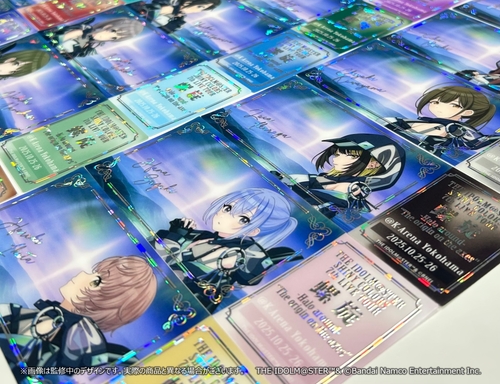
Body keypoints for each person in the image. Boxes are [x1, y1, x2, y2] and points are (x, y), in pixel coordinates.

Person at [0, 255, 157, 379]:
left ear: (108, 303)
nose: (82, 274)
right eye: (94, 273)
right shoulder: (49, 315)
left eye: (96, 281)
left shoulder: (79, 338)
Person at [152, 188, 300, 311]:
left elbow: (168, 265)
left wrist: (176, 235)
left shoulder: (240, 254)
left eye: (243, 219)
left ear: (253, 231)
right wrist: (178, 232)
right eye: (228, 208)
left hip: (173, 302)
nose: (224, 215)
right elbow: (155, 253)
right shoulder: (203, 236)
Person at [276, 134, 405, 220]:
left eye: (344, 155)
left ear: (373, 164)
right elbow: (299, 181)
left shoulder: (349, 194)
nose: (335, 159)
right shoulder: (328, 180)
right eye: (336, 154)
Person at [384, 85, 500, 155]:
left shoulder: (456, 129)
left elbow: (478, 143)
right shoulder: (426, 122)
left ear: (467, 112)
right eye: (435, 102)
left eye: (454, 105)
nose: (440, 107)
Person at [53, 17, 145, 58]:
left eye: (114, 38)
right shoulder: (82, 30)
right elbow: (57, 40)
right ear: (108, 25)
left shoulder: (87, 45)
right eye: (112, 31)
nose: (106, 37)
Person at [133, 0, 222, 32]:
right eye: (199, 6)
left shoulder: (178, 18)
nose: (198, 11)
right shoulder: (168, 5)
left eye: (202, 9)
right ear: (189, 1)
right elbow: (140, 13)